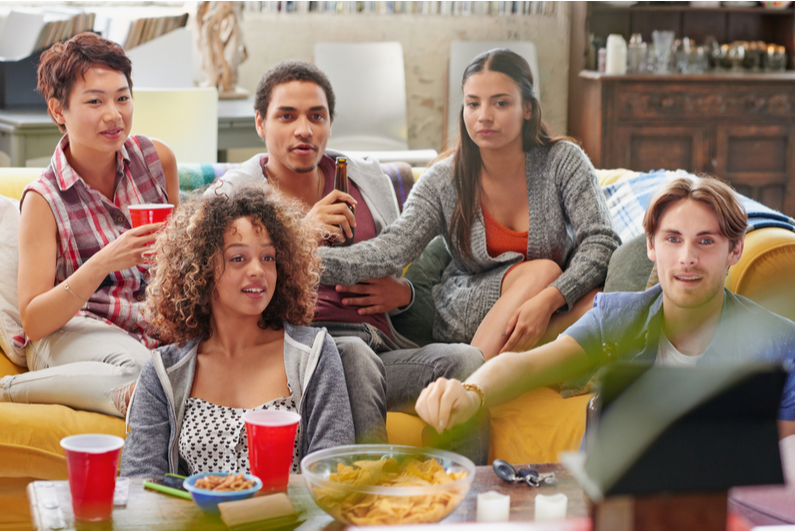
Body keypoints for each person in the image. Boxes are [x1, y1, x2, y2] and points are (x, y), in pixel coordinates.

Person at [209, 61, 486, 461]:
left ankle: (464, 502)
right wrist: (300, 233)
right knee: (351, 353)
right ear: (260, 124)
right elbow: (221, 286)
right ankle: (364, 502)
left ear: (329, 125)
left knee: (467, 359)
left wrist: (403, 294)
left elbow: (400, 264)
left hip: (381, 346)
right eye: (286, 116)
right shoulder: (234, 194)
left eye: (316, 116)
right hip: (293, 353)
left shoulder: (367, 180)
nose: (303, 129)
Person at [414, 176, 795, 442]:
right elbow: (527, 364)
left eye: (706, 241)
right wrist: (470, 392)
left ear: (735, 250)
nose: (687, 258)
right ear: (651, 247)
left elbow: (773, 476)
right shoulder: (617, 318)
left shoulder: (780, 345)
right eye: (673, 239)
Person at [317, 49, 621, 361]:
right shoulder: (442, 180)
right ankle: (469, 384)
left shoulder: (563, 162)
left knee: (600, 301)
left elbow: (601, 241)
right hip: (467, 308)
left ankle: (517, 364)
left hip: (550, 306)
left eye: (500, 103)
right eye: (473, 103)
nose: (484, 116)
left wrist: (549, 300)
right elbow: (392, 248)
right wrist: (305, 261)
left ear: (527, 108)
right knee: (543, 270)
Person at [0, 33, 179, 417]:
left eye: (122, 97)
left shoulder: (156, 160)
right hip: (67, 332)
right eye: (95, 101)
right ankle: (11, 390)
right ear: (58, 111)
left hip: (145, 328)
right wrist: (103, 262)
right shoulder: (44, 199)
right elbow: (34, 320)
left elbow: (183, 262)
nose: (114, 114)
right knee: (145, 373)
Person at [121, 184, 354, 477]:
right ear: (202, 270)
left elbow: (332, 475)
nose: (258, 270)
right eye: (238, 258)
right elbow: (140, 483)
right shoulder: (164, 373)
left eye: (268, 257)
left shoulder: (314, 354)